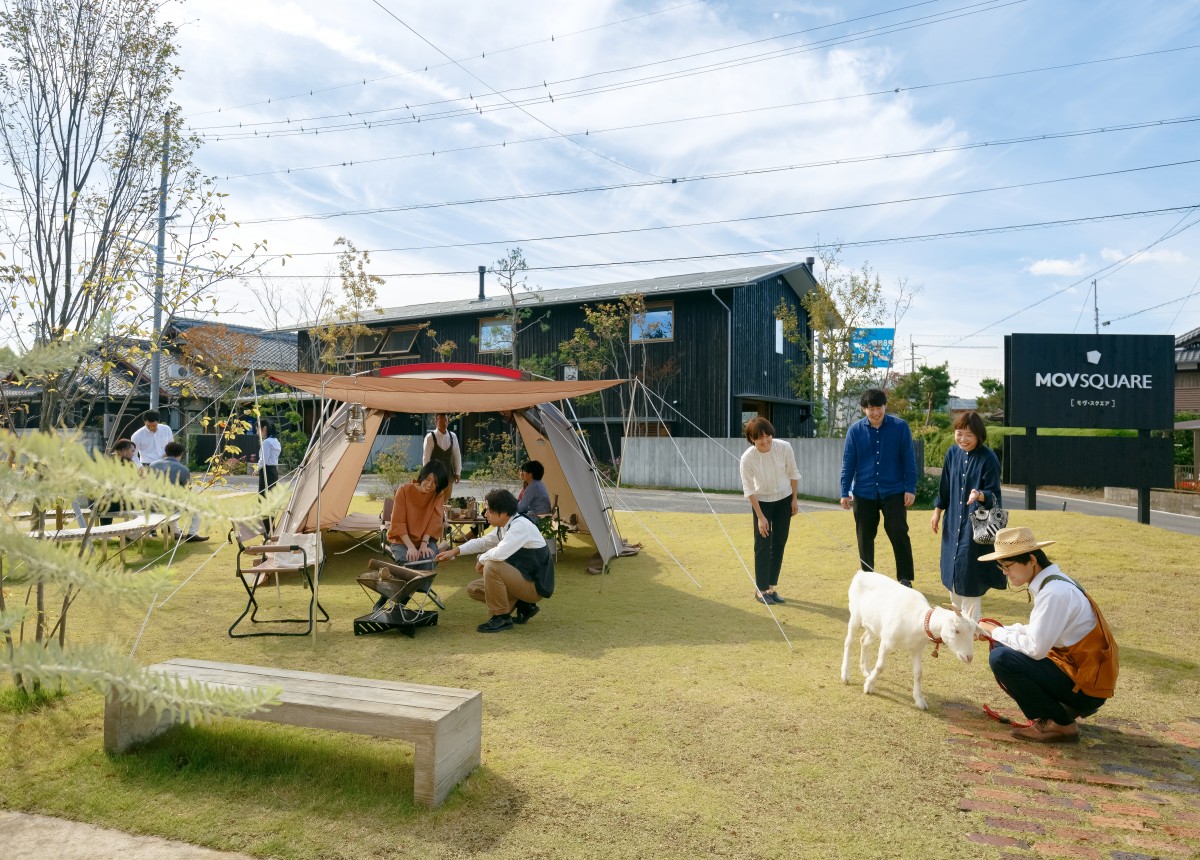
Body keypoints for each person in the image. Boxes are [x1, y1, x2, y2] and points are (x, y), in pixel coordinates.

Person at [977, 527, 1118, 743]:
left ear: (1031, 559)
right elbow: (1038, 631)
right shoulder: (1054, 582)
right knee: (1001, 647)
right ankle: (1057, 713)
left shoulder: (1054, 593)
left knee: (1001, 658)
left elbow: (1036, 649)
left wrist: (996, 631)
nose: (1005, 573)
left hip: (1086, 687)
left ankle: (1061, 724)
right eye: (1002, 567)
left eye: (1008, 566)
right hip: (1080, 676)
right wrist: (997, 630)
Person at [436, 488, 553, 633]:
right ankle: (524, 606)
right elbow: (482, 542)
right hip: (524, 579)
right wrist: (454, 551)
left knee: (492, 565)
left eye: (489, 510)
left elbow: (500, 553)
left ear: (503, 513)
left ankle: (501, 617)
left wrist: (481, 559)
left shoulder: (520, 526)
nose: (485, 514)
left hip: (535, 586)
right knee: (474, 589)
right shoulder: (504, 526)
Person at [930, 411, 1005, 621]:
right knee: (952, 569)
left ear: (979, 436)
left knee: (970, 573)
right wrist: (937, 512)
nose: (962, 439)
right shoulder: (952, 454)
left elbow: (995, 495)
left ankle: (971, 626)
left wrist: (979, 494)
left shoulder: (988, 458)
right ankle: (955, 623)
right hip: (953, 520)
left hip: (977, 523)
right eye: (959, 433)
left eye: (968, 435)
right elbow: (944, 488)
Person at [840, 389, 917, 586]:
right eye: (870, 408)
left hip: (894, 491)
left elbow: (909, 459)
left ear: (885, 406)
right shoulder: (855, 431)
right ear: (863, 409)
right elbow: (848, 463)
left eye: (879, 408)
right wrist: (844, 492)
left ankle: (905, 578)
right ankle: (868, 577)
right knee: (864, 536)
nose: (875, 413)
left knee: (899, 532)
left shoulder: (900, 427)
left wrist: (910, 488)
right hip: (864, 492)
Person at [738, 417, 800, 605]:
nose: (765, 441)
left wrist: (794, 499)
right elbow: (748, 489)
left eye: (768, 436)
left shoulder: (784, 448)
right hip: (762, 503)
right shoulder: (747, 458)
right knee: (763, 545)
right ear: (751, 439)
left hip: (784, 500)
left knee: (779, 543)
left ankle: (771, 587)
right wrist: (760, 517)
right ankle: (761, 589)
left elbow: (793, 474)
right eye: (760, 438)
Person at [387, 460, 448, 568]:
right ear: (422, 476)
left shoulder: (438, 494)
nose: (430, 485)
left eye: (435, 482)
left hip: (426, 540)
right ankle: (417, 585)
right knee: (407, 561)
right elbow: (398, 522)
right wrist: (410, 547)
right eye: (428, 479)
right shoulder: (404, 490)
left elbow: (434, 521)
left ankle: (419, 585)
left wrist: (424, 544)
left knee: (428, 560)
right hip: (402, 540)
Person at [147, 441, 209, 542]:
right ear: (181, 454)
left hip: (151, 504)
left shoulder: (153, 465)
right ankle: (192, 533)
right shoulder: (183, 469)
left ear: (166, 452)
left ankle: (175, 532)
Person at [422, 413, 461, 501]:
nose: (444, 423)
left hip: (448, 477)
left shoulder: (453, 436)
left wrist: (457, 472)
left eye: (446, 421)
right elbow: (426, 458)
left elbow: (457, 455)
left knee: (446, 503)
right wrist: (427, 476)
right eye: (441, 421)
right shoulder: (430, 437)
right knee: (433, 502)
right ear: (436, 422)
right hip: (434, 478)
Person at [98, 439, 136, 525]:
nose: (133, 454)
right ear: (123, 450)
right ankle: (130, 533)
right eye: (132, 451)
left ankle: (106, 531)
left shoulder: (103, 458)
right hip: (110, 503)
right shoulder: (126, 463)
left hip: (94, 502)